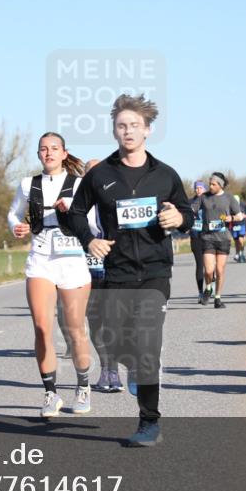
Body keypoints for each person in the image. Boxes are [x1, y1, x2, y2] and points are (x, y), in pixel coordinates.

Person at [69, 93, 193, 447]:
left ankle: (148, 423)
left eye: (135, 125)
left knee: (146, 340)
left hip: (155, 271)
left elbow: (188, 215)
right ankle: (134, 365)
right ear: (114, 130)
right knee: (121, 341)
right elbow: (75, 214)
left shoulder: (165, 175)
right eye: (121, 125)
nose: (128, 131)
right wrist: (89, 240)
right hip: (117, 271)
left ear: (148, 130)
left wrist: (179, 217)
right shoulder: (100, 175)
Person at [8, 133, 93, 416]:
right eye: (43, 149)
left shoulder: (80, 185)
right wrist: (17, 227)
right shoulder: (27, 184)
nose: (49, 153)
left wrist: (72, 212)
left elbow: (94, 225)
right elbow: (13, 214)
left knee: (74, 329)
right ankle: (50, 394)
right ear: (38, 154)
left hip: (72, 261)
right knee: (43, 329)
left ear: (65, 153)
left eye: (54, 148)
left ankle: (83, 385)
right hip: (41, 259)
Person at [87, 158, 124, 393]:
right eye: (90, 173)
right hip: (86, 270)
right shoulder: (75, 203)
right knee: (95, 324)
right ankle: (105, 370)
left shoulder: (117, 199)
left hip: (113, 268)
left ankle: (116, 371)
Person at [198, 172, 245, 307]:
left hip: (223, 239)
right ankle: (208, 288)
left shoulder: (229, 198)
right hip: (207, 237)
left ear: (220, 185)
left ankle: (217, 298)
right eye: (210, 183)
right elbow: (192, 209)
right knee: (208, 270)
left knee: (219, 270)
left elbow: (240, 216)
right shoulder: (204, 197)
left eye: (213, 184)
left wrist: (232, 218)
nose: (210, 186)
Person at [189, 181, 208, 303]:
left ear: (205, 189)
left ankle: (209, 288)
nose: (198, 190)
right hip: (195, 236)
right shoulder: (190, 202)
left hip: (209, 237)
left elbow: (221, 214)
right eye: (196, 188)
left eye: (200, 188)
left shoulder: (210, 201)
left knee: (210, 267)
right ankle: (200, 293)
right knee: (200, 265)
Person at [231, 194, 246, 262]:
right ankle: (237, 253)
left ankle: (242, 252)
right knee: (236, 241)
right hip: (234, 224)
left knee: (240, 239)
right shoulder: (231, 205)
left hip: (242, 224)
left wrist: (245, 215)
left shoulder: (243, 205)